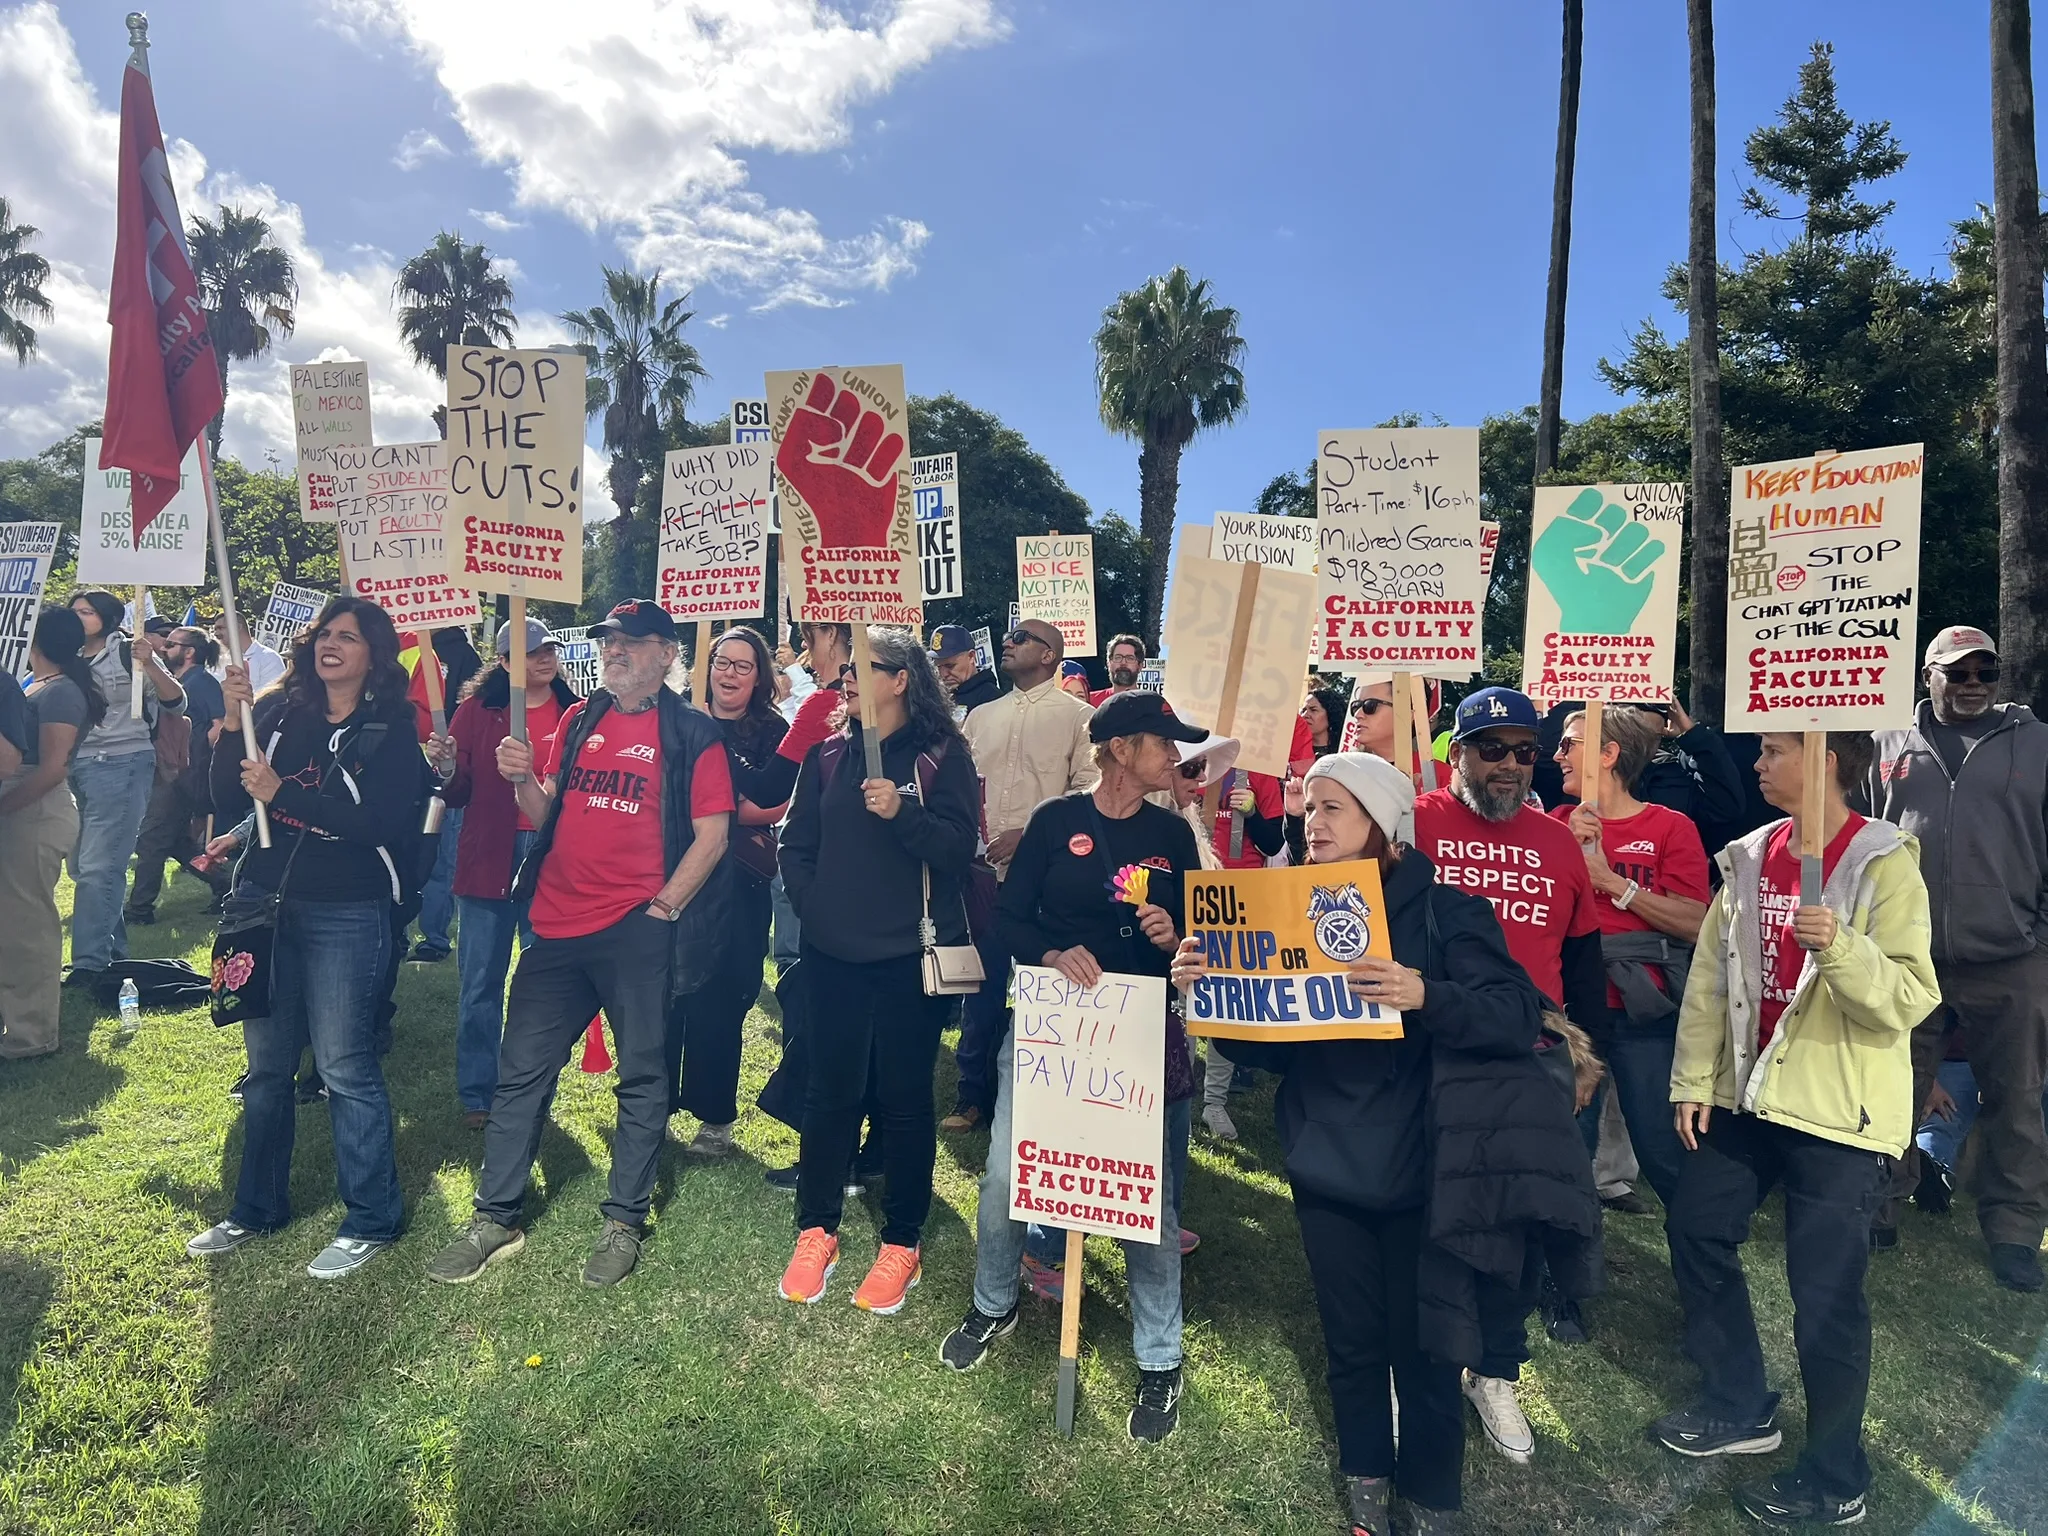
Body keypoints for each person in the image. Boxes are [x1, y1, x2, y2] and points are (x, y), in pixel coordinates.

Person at [1171, 753, 1583, 1535]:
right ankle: (1367, 1482)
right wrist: (1214, 996)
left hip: (1429, 1162)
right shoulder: (1281, 908)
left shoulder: (1447, 910)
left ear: (1381, 824)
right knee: (1351, 1339)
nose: (1312, 824)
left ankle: (1433, 1500)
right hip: (1327, 1161)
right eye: (1309, 809)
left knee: (1428, 1346)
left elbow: (1513, 1016)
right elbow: (1269, 1050)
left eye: (1333, 809)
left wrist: (1425, 993)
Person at [1654, 731, 1937, 1528]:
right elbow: (1712, 976)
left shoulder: (1883, 860)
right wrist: (1695, 1080)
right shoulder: (1746, 855)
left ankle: (1835, 1473)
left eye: (1775, 750)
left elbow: (1912, 996)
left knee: (1826, 1299)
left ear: (1827, 762)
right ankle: (1741, 1404)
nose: (1756, 764)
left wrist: (1840, 946)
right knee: (1698, 1226)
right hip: (1749, 1095)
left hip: (1838, 1113)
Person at [425, 600, 732, 1289]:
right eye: (607, 641)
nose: (613, 651)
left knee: (643, 1075)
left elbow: (713, 833)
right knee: (521, 1071)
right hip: (556, 927)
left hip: (635, 928)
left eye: (628, 642)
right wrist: (521, 780)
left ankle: (623, 1220)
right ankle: (494, 1215)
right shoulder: (579, 717)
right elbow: (546, 813)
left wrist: (662, 907)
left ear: (666, 654)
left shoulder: (691, 733)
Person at [939, 691, 1206, 1443]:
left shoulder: (1172, 834)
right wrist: (1054, 954)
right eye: (1164, 744)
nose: (1174, 757)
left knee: (1144, 1198)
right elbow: (1010, 923)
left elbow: (1202, 939)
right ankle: (995, 1301)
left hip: (1136, 1034)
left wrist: (1171, 935)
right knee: (1006, 1176)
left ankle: (1160, 1355)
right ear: (1121, 749)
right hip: (1054, 1028)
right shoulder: (1057, 823)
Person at [186, 596, 430, 1279]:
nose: (332, 644)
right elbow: (226, 798)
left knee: (346, 1067)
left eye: (348, 637)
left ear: (373, 654)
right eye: (325, 633)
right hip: (262, 903)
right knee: (266, 1071)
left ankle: (371, 1219)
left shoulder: (391, 726)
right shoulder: (276, 709)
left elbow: (379, 823)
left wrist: (283, 795)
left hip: (346, 910)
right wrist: (235, 727)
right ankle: (255, 1210)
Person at [1412, 685, 1604, 1465]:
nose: (1512, 764)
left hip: (1532, 1062)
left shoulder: (1559, 841)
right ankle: (1422, 1363)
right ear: (1455, 752)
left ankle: (1495, 1369)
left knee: (1519, 1227)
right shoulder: (1412, 821)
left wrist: (1594, 1059)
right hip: (1431, 1051)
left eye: (1526, 750)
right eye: (1492, 747)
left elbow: (1585, 961)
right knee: (1430, 1219)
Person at [774, 627, 979, 1313]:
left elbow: (956, 849)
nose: (846, 681)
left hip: (906, 960)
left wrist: (903, 813)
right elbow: (796, 845)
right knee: (828, 1095)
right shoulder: (827, 755)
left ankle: (902, 1242)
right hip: (833, 956)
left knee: (903, 1101)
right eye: (844, 673)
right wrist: (816, 909)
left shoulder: (942, 755)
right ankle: (816, 1230)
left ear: (901, 680)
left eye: (865, 670)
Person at [1865, 624, 2048, 1285]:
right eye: (1958, 671)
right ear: (1927, 674)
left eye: (1986, 672)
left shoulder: (2038, 744)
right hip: (1907, 953)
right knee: (1891, 1086)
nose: (1974, 684)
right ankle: (1880, 1208)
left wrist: (2039, 939)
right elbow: (1857, 836)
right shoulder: (1883, 742)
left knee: (2018, 1098)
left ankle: (2014, 1232)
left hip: (2012, 955)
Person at [1550, 705, 1709, 1217]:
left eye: (1570, 743)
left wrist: (1614, 885)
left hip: (1644, 1015)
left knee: (1664, 1151)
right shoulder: (1555, 824)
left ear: (1608, 753)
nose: (1557, 756)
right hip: (1571, 1013)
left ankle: (1703, 1271)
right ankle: (1563, 1280)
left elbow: (1695, 922)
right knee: (1564, 1147)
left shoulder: (1670, 827)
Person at [944, 619, 1097, 1133]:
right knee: (979, 988)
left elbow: (1087, 792)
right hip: (982, 877)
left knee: (1045, 988)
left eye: (1019, 637)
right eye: (1009, 637)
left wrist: (1029, 834)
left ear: (1050, 655)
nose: (1006, 643)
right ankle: (972, 1095)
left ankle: (1044, 1097)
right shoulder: (980, 716)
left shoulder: (1081, 718)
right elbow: (957, 787)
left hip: (1045, 879)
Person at [426, 618, 578, 1129]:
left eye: (549, 648)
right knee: (480, 983)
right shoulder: (477, 711)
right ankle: (478, 1095)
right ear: (506, 662)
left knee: (543, 986)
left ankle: (533, 1089)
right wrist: (445, 767)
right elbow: (457, 790)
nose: (544, 657)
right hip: (488, 857)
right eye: (532, 651)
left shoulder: (577, 714)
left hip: (550, 858)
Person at [671, 625, 796, 1158]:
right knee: (660, 991)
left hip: (738, 875)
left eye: (743, 666)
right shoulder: (675, 716)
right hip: (669, 868)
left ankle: (713, 1117)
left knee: (722, 995)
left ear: (760, 676)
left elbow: (773, 804)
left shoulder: (773, 730)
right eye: (722, 661)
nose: (729, 673)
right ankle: (654, 1101)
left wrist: (713, 807)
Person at [63, 589, 186, 988]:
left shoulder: (127, 652)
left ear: (109, 618)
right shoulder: (65, 657)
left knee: (101, 867)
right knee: (84, 866)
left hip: (122, 763)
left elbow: (176, 702)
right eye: (74, 612)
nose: (78, 618)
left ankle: (89, 964)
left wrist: (149, 663)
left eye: (87, 612)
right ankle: (111, 953)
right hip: (74, 766)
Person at [0, 608, 100, 1059]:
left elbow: (53, 768)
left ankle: (33, 1035)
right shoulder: (37, 684)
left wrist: (4, 807)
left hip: (36, 810)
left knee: (28, 925)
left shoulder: (60, 692)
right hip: (24, 808)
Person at [125, 625, 226, 924]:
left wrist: (197, 762)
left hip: (181, 773)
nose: (163, 648)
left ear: (189, 652)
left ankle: (139, 909)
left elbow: (218, 725)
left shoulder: (202, 682)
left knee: (152, 839)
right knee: (178, 845)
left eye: (171, 644)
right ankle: (227, 885)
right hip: (168, 769)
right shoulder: (175, 680)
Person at [404, 628, 486, 963]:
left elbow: (470, 708)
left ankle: (433, 937)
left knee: (437, 857)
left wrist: (454, 756)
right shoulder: (399, 645)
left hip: (439, 772)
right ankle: (406, 934)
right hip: (403, 768)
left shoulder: (461, 655)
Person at [930, 624, 1000, 715]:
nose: (943, 674)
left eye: (950, 666)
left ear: (971, 656)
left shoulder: (991, 698)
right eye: (938, 666)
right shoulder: (935, 697)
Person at [213, 611, 285, 694]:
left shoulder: (269, 658)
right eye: (215, 629)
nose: (216, 633)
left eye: (220, 628)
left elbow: (270, 695)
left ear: (237, 627)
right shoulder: (220, 660)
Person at [1089, 632, 1148, 705]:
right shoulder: (1089, 702)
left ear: (1140, 666)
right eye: (1118, 658)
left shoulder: (1154, 704)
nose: (1123, 663)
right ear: (1109, 663)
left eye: (1130, 658)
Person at [1300, 686, 1348, 760]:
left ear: (1331, 714)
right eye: (1303, 710)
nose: (1305, 715)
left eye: (1313, 710)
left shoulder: (1347, 751)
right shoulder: (1292, 749)